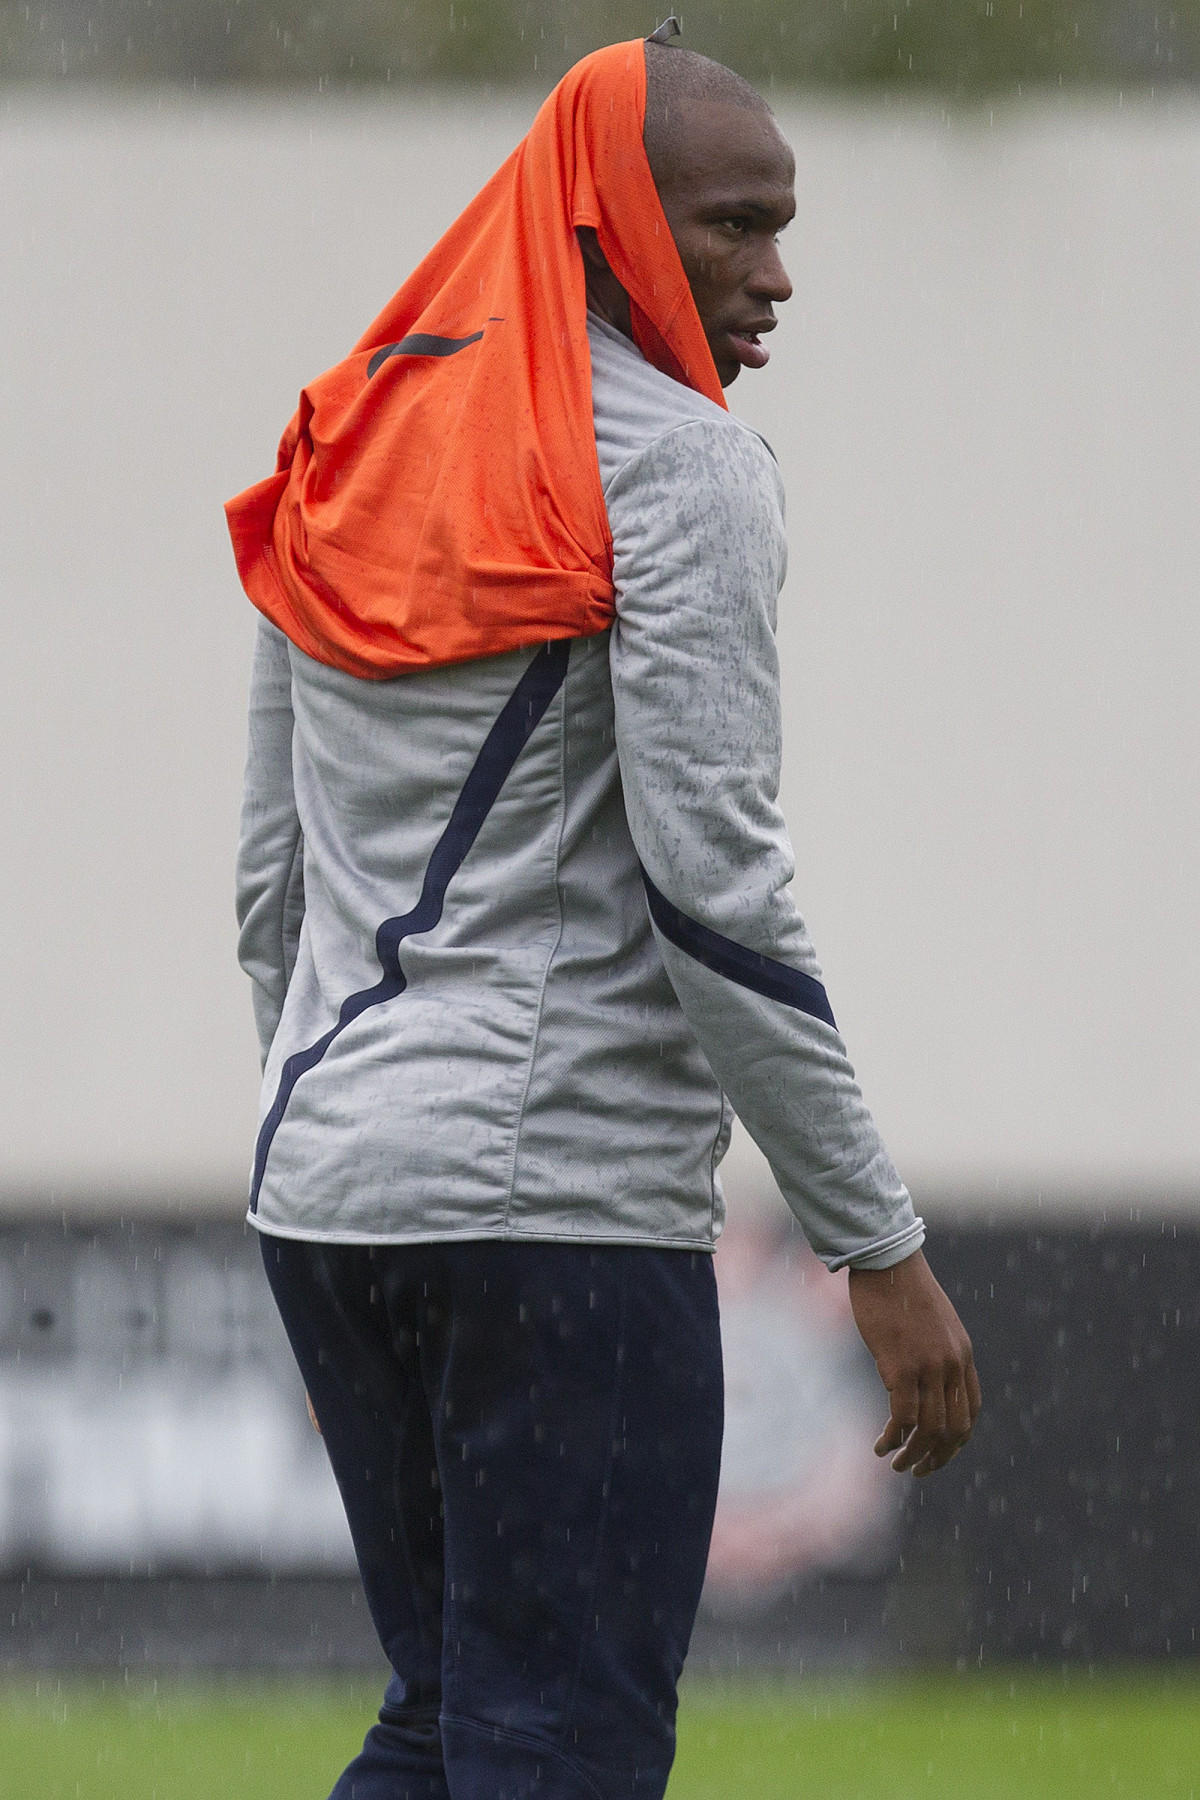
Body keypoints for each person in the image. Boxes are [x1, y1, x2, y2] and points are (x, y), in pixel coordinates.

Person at [229, 30, 981, 1800]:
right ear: (607, 221)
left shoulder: (347, 434)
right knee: (557, 1746)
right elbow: (716, 885)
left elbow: (269, 884)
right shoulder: (682, 471)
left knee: (444, 1727)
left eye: (784, 229)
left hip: (328, 1194)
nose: (777, 276)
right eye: (735, 227)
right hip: (558, 1219)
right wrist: (877, 1248)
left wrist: (357, 1155)